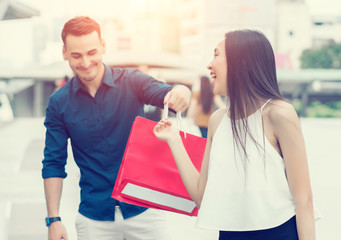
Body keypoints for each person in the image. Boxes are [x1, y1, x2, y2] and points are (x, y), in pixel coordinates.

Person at [154, 29, 318, 240]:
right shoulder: (217, 120)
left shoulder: (279, 113)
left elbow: (304, 199)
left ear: (241, 61)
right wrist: (173, 139)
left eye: (216, 54)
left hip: (280, 233)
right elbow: (202, 197)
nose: (209, 65)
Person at [42, 16, 191, 240]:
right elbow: (53, 163)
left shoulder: (131, 81)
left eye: (91, 52)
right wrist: (54, 220)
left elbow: (168, 92)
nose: (85, 62)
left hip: (144, 211)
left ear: (103, 46)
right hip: (94, 218)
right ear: (64, 53)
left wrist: (181, 92)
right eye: (76, 55)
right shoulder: (58, 103)